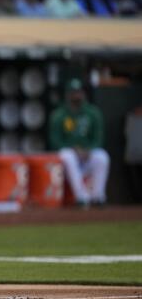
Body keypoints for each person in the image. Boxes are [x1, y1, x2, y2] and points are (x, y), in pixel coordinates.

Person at [48, 78, 110, 207]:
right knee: (67, 155)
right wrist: (74, 149)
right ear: (67, 94)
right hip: (69, 158)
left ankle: (98, 197)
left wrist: (88, 150)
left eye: (79, 92)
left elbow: (98, 139)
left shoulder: (93, 113)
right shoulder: (59, 115)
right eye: (73, 92)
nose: (76, 95)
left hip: (88, 155)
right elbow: (54, 142)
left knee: (102, 156)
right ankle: (81, 198)